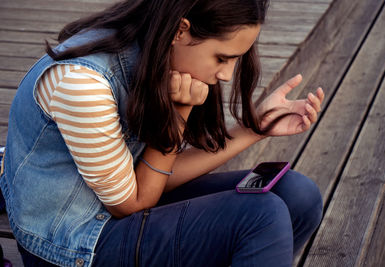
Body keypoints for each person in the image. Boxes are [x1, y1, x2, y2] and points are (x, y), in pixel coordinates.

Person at [0, 0, 325, 266]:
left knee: (296, 193)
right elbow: (134, 202)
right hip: (73, 246)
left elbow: (151, 178)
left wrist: (255, 129)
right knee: (261, 217)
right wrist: (178, 115)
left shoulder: (154, 55)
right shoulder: (84, 85)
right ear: (181, 30)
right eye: (221, 57)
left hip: (120, 211)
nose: (226, 74)